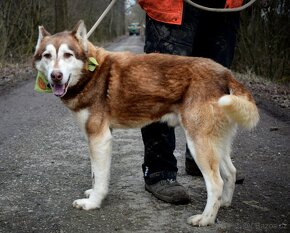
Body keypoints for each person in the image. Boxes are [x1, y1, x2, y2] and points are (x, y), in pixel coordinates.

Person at [138, 0, 243, 204]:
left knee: (213, 88)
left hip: (224, 7)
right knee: (162, 88)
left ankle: (201, 158)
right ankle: (159, 171)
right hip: (171, 6)